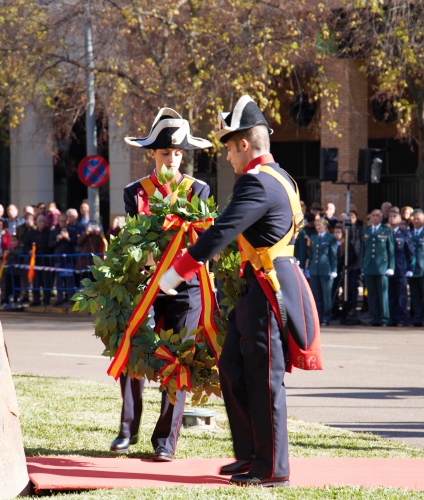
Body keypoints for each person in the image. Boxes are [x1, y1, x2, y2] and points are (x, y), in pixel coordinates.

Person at [159, 95, 320, 487]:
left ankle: (273, 468)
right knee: (232, 368)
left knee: (264, 378)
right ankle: (250, 454)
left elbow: (220, 233)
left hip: (268, 290)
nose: (227, 158)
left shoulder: (257, 182)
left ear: (244, 145)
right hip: (258, 287)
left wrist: (175, 274)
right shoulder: (280, 176)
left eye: (229, 149)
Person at [113, 106, 212, 463]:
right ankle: (128, 428)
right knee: (132, 349)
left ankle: (165, 440)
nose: (171, 159)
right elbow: (132, 241)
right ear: (152, 154)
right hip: (146, 284)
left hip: (186, 286)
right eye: (165, 152)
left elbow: (203, 243)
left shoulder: (198, 190)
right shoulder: (134, 192)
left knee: (179, 358)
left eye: (176, 153)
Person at [361, 209, 395, 327]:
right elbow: (363, 250)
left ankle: (384, 318)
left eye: (377, 216)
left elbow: (391, 250)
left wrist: (391, 266)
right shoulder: (366, 231)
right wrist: (362, 266)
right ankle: (374, 317)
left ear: (381, 218)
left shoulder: (386, 230)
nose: (374, 217)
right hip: (369, 266)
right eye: (373, 215)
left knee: (383, 294)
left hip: (382, 267)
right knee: (372, 294)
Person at [300, 217, 336, 325]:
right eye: (316, 225)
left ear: (325, 226)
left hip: (326, 270)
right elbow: (311, 254)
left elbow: (333, 255)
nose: (318, 227)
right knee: (316, 295)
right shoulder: (314, 237)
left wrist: (334, 269)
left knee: (326, 295)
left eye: (320, 225)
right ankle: (318, 316)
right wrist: (308, 267)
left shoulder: (330, 237)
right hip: (314, 269)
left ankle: (326, 317)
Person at [388, 211, 414, 327]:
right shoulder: (386, 233)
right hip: (388, 269)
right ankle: (392, 317)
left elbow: (411, 253)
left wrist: (411, 268)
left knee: (402, 295)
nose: (391, 218)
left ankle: (402, 318)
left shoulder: (404, 233)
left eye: (394, 216)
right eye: (390, 216)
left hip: (401, 268)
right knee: (391, 295)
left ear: (399, 220)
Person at [22, 214, 52, 306]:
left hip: (46, 262)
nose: (42, 223)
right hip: (35, 261)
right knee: (36, 281)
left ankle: (46, 300)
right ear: (36, 223)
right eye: (40, 221)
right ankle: (36, 300)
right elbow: (25, 245)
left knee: (46, 281)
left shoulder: (49, 232)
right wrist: (29, 251)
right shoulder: (32, 233)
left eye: (43, 221)